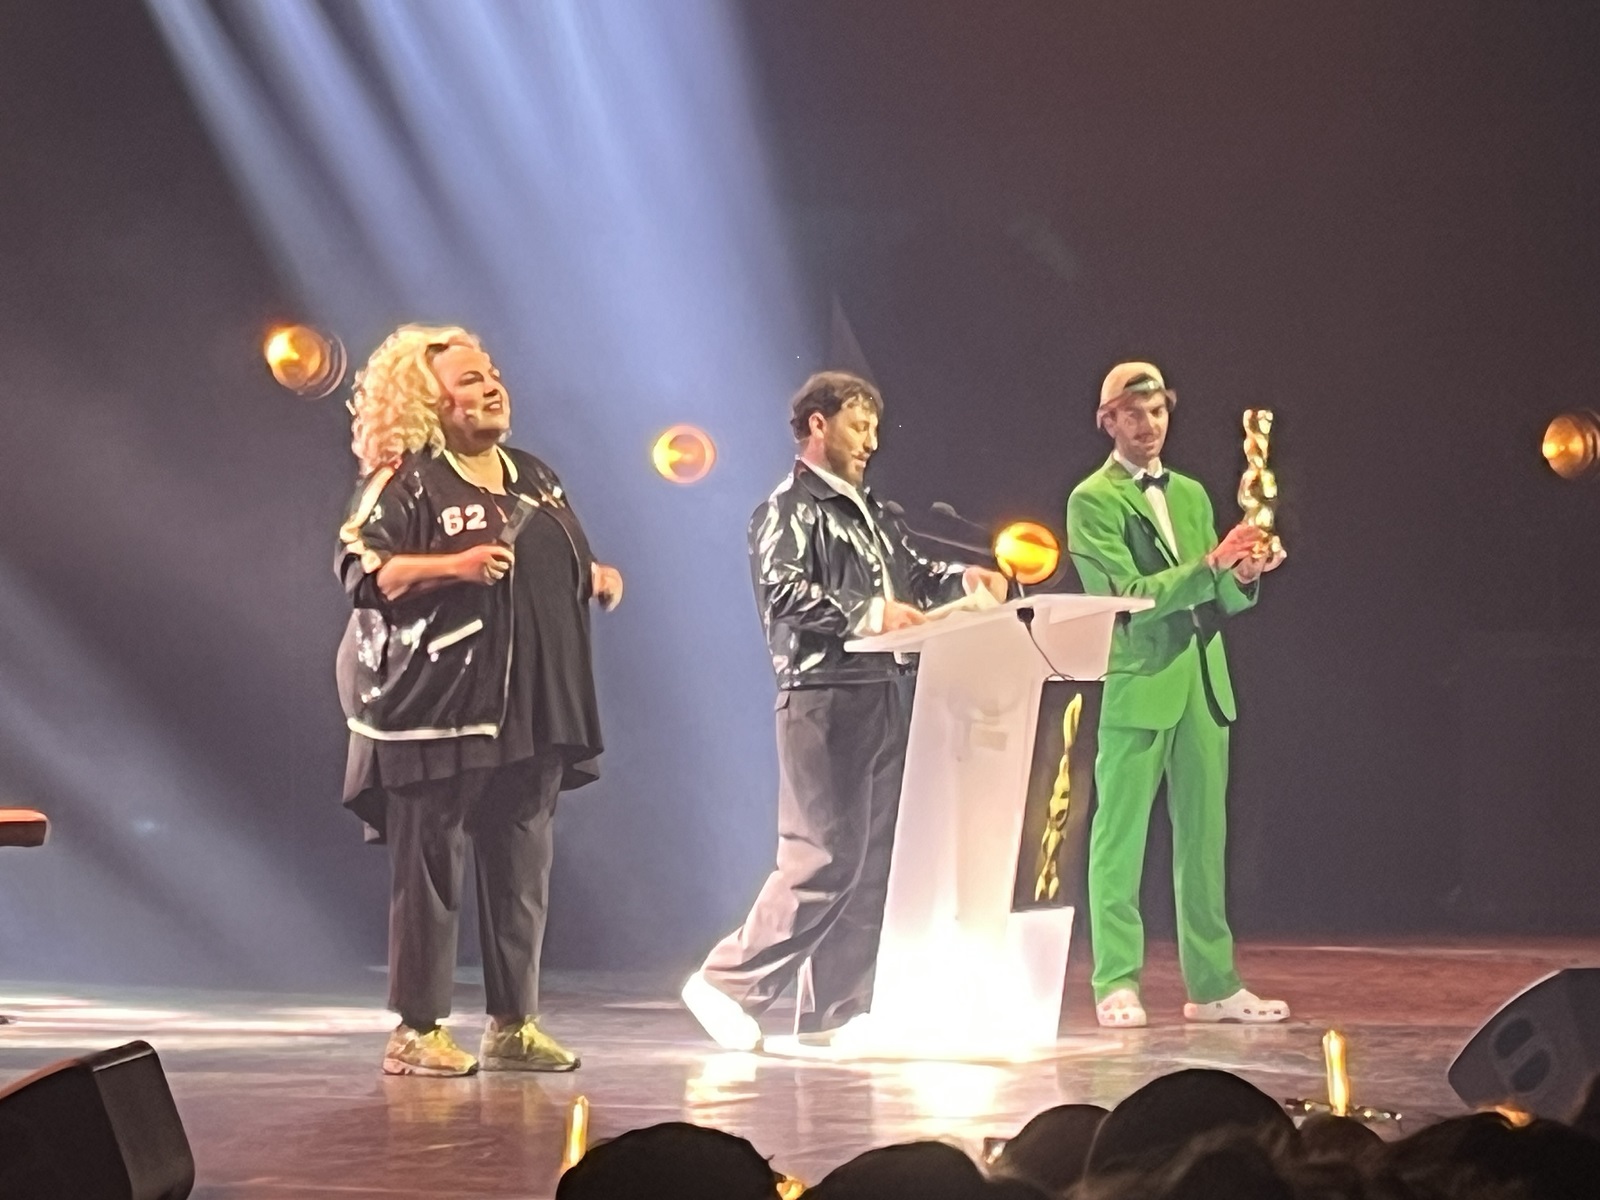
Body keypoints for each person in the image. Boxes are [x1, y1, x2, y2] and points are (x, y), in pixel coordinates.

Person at [681, 371, 1008, 1050]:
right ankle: (728, 982)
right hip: (822, 690)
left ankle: (838, 1010)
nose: (872, 441)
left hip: (883, 685)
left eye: (876, 429)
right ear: (817, 425)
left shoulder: (873, 511)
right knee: (823, 853)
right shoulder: (788, 508)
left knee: (871, 858)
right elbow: (782, 593)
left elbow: (913, 573)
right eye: (859, 426)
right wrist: (869, 612)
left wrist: (965, 579)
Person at [335, 324, 623, 1075]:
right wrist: (451, 566)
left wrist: (594, 575)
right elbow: (362, 570)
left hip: (535, 704)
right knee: (431, 864)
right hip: (438, 706)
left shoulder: (535, 476)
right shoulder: (409, 480)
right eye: (469, 380)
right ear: (430, 403)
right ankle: (417, 1030)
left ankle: (514, 1024)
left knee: (522, 863)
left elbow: (565, 554)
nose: (492, 385)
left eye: (492, 372)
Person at [1065, 362, 1287, 1029]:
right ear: (1108, 421)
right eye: (1134, 413)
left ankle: (1214, 984)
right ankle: (1116, 981)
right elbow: (1129, 596)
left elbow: (1216, 596)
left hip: (1201, 678)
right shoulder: (1091, 500)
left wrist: (1243, 573)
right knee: (1120, 837)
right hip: (1141, 678)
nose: (1149, 424)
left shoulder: (1190, 493)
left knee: (1204, 838)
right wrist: (1210, 565)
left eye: (1158, 411)